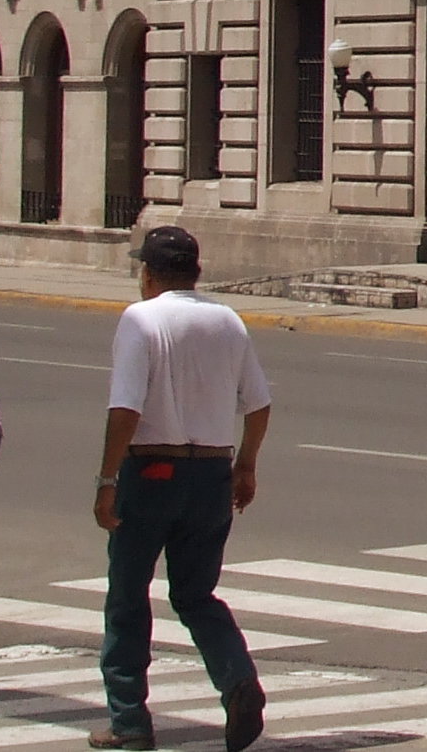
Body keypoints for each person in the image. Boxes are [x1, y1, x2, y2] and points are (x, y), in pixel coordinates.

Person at [90, 227, 269, 752]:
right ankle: (238, 681)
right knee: (195, 594)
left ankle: (129, 723)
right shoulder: (227, 320)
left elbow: (126, 409)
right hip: (212, 471)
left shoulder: (140, 319)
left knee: (127, 597)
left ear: (147, 274)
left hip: (151, 471)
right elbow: (258, 405)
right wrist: (247, 466)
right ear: (196, 271)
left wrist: (105, 480)